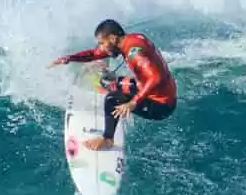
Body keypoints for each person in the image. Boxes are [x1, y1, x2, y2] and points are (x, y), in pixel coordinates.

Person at [49, 19, 177, 150]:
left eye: (102, 43)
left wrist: (133, 102)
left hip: (161, 106)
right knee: (110, 83)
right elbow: (94, 54)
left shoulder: (135, 53)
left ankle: (107, 140)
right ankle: (118, 98)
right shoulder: (131, 40)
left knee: (112, 99)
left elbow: (156, 78)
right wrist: (69, 58)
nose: (101, 47)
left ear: (113, 38)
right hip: (161, 90)